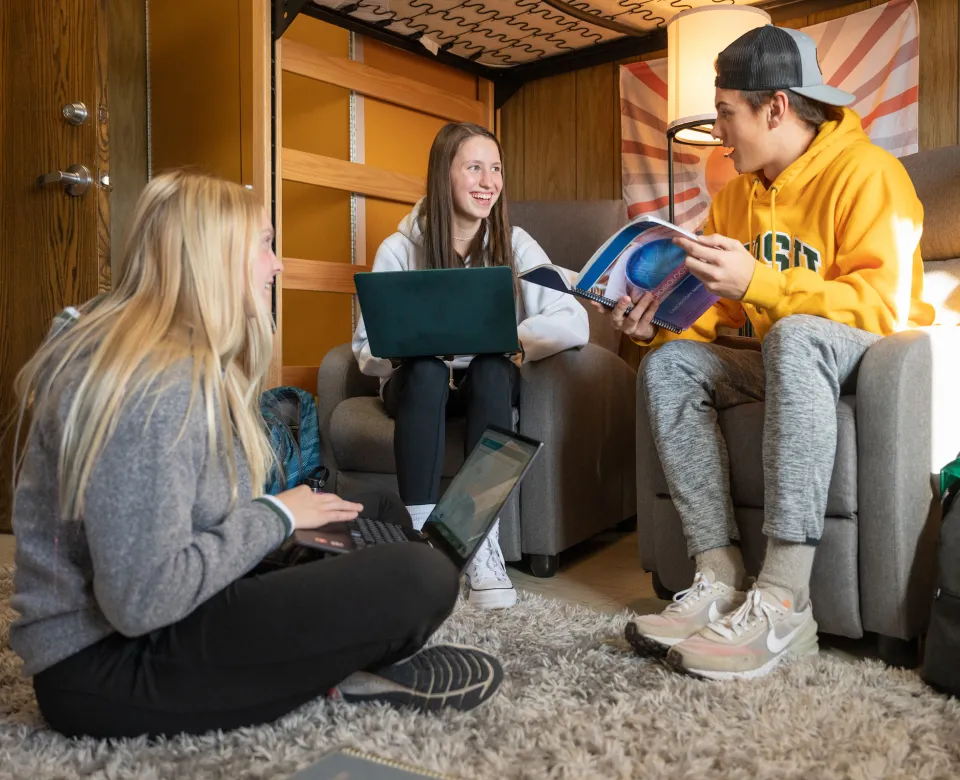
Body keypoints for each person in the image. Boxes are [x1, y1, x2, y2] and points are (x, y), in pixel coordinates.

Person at [8, 171, 503, 740]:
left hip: (163, 621)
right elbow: (142, 600)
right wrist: (278, 518)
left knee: (378, 516)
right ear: (214, 255)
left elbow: (191, 524)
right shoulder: (150, 385)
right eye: (266, 243)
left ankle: (319, 657)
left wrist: (286, 524)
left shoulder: (174, 357)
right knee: (423, 576)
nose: (278, 264)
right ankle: (331, 669)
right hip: (107, 667)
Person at [598, 25, 935, 680]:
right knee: (670, 364)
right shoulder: (732, 198)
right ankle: (718, 577)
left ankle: (785, 602)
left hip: (863, 358)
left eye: (727, 113)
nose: (720, 131)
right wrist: (655, 328)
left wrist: (762, 282)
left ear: (775, 107)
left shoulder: (871, 175)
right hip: (775, 356)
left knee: (795, 332)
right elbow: (717, 312)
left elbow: (884, 306)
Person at [353, 122, 589, 609]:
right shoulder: (399, 248)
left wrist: (507, 339)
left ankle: (481, 545)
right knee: (427, 370)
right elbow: (365, 349)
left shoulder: (516, 243)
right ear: (445, 175)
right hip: (419, 384)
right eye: (474, 168)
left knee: (491, 367)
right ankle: (422, 546)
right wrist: (411, 347)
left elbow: (574, 320)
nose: (489, 181)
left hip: (486, 383)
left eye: (496, 168)